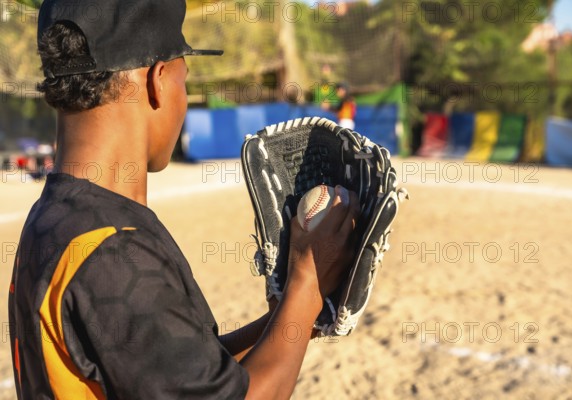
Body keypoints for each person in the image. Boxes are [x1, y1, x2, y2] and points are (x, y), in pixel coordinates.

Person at [8, 1, 359, 399]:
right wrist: (308, 279)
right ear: (158, 80)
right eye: (183, 79)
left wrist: (295, 314)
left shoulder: (57, 217)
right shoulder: (114, 250)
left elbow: (183, 373)